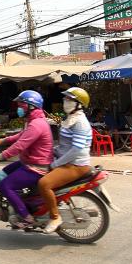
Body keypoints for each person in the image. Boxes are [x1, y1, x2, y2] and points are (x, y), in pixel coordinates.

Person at [0, 90, 52, 230]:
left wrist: (0, 156)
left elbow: (20, 145)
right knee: (4, 172)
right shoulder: (33, 121)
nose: (19, 108)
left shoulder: (36, 124)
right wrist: (2, 140)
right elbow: (21, 135)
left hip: (36, 167)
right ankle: (18, 201)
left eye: (22, 105)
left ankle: (27, 218)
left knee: (5, 185)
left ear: (31, 106)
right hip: (29, 162)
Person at [37, 87, 93, 234]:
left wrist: (56, 163)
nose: (65, 102)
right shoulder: (70, 119)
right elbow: (65, 145)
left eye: (69, 99)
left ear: (79, 104)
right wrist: (52, 150)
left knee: (44, 184)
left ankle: (55, 217)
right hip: (66, 161)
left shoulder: (80, 122)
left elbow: (76, 150)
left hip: (76, 165)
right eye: (65, 99)